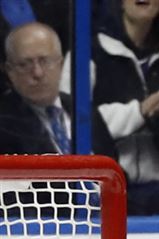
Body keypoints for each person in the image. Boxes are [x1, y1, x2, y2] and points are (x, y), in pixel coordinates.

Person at [65, 0, 159, 215]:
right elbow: (69, 119)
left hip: (157, 191)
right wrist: (139, 112)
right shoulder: (88, 52)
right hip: (101, 191)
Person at [0, 23, 111, 155]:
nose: (37, 73)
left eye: (45, 61)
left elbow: (114, 169)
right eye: (24, 64)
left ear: (61, 64)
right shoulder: (4, 122)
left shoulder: (84, 110)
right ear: (10, 71)